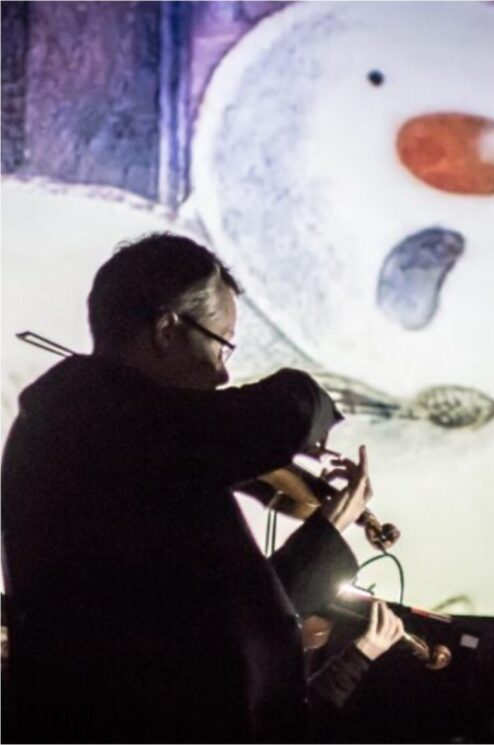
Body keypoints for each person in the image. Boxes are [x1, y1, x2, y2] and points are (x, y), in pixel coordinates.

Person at [1, 232, 400, 743]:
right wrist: (315, 405)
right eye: (221, 341)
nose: (222, 373)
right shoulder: (93, 417)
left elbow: (223, 614)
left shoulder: (130, 441)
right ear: (167, 329)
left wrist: (331, 525)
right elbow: (287, 408)